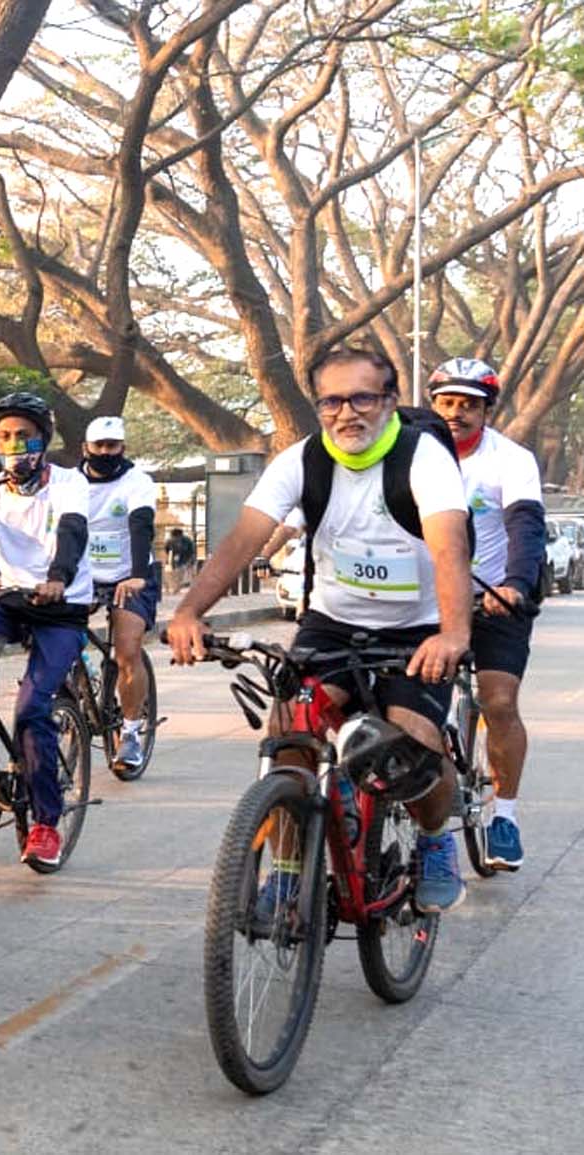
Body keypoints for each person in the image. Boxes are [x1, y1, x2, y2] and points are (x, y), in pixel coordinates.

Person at [167, 345, 472, 913]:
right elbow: (243, 539)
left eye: (362, 397)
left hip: (416, 631)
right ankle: (285, 872)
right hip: (331, 624)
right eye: (331, 400)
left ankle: (434, 841)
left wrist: (453, 633)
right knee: (288, 735)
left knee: (411, 750)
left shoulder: (423, 459)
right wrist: (189, 611)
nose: (346, 412)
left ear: (388, 400)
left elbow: (449, 549)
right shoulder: (301, 461)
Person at [0, 391, 91, 868]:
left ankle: (46, 823)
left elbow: (72, 531)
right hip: (10, 600)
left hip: (61, 606)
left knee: (33, 710)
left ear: (43, 441)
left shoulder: (70, 484)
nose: (14, 445)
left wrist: (58, 578)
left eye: (24, 437)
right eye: (5, 437)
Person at [430, 356, 543, 871]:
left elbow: (526, 527)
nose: (457, 413)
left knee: (497, 702)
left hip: (495, 597)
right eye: (448, 402)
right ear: (433, 405)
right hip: (428, 600)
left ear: (487, 411)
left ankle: (506, 814)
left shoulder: (510, 460)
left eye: (469, 405)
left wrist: (514, 585)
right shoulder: (416, 456)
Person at [78, 414, 158, 770]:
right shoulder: (70, 484)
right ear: (86, 448)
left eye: (113, 446)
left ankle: (129, 733)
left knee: (127, 651)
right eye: (100, 446)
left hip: (131, 574)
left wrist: (138, 574)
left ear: (123, 448)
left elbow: (141, 525)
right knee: (55, 635)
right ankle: (80, 680)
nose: (106, 452)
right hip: (83, 575)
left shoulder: (137, 481)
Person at [166, 527, 195, 593]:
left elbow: (167, 549)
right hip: (182, 559)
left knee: (179, 574)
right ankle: (177, 588)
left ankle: (176, 588)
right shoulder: (172, 541)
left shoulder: (173, 540)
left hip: (182, 559)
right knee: (179, 573)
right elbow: (167, 549)